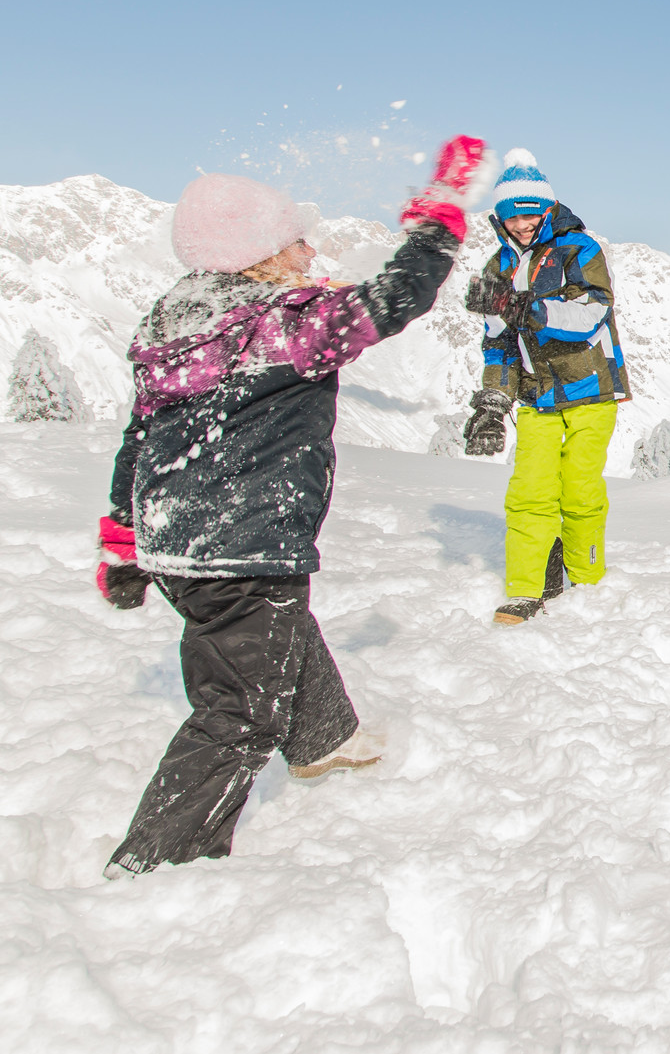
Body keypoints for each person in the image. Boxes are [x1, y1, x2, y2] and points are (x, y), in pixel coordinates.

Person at [101, 136, 488, 879]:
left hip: (177, 544)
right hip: (244, 544)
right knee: (241, 708)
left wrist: (120, 534)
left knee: (268, 630)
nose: (311, 252)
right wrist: (438, 221)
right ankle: (156, 858)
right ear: (258, 255)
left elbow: (141, 434)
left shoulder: (170, 323)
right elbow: (393, 299)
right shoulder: (285, 323)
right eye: (296, 241)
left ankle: (325, 737)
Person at [461, 151, 629, 625]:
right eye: (512, 216)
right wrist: (494, 402)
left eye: (531, 212)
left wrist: (529, 309)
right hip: (536, 396)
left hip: (589, 389)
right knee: (530, 491)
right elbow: (498, 343)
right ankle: (527, 589)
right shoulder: (498, 266)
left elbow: (592, 313)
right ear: (501, 217)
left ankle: (587, 578)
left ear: (547, 207)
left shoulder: (579, 249)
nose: (523, 224)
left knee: (578, 491)